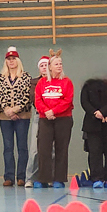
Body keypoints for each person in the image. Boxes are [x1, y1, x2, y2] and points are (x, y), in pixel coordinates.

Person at [0, 47, 34, 187]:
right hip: (5, 117)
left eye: (13, 59)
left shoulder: (26, 77)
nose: (11, 61)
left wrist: (16, 109)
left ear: (18, 61)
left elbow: (28, 96)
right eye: (9, 59)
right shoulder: (0, 78)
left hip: (23, 116)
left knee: (22, 146)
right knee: (8, 147)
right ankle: (9, 176)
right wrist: (7, 110)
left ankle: (22, 176)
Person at [34, 51, 74, 188]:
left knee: (61, 149)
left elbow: (67, 100)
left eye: (60, 64)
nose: (59, 66)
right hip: (45, 119)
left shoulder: (67, 82)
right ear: (50, 67)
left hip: (63, 119)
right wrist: (46, 111)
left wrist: (54, 111)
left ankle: (59, 179)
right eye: (56, 64)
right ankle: (43, 178)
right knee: (43, 149)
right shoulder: (42, 82)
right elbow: (38, 100)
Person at [80, 77, 107, 188]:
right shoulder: (88, 85)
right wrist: (95, 113)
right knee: (95, 152)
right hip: (92, 124)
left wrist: (103, 112)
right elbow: (84, 102)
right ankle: (96, 178)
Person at [25, 56, 49, 188]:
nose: (44, 68)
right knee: (34, 149)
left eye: (46, 65)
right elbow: (34, 98)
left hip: (53, 115)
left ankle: (49, 177)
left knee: (51, 149)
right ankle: (30, 178)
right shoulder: (34, 82)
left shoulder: (56, 82)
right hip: (39, 115)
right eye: (42, 66)